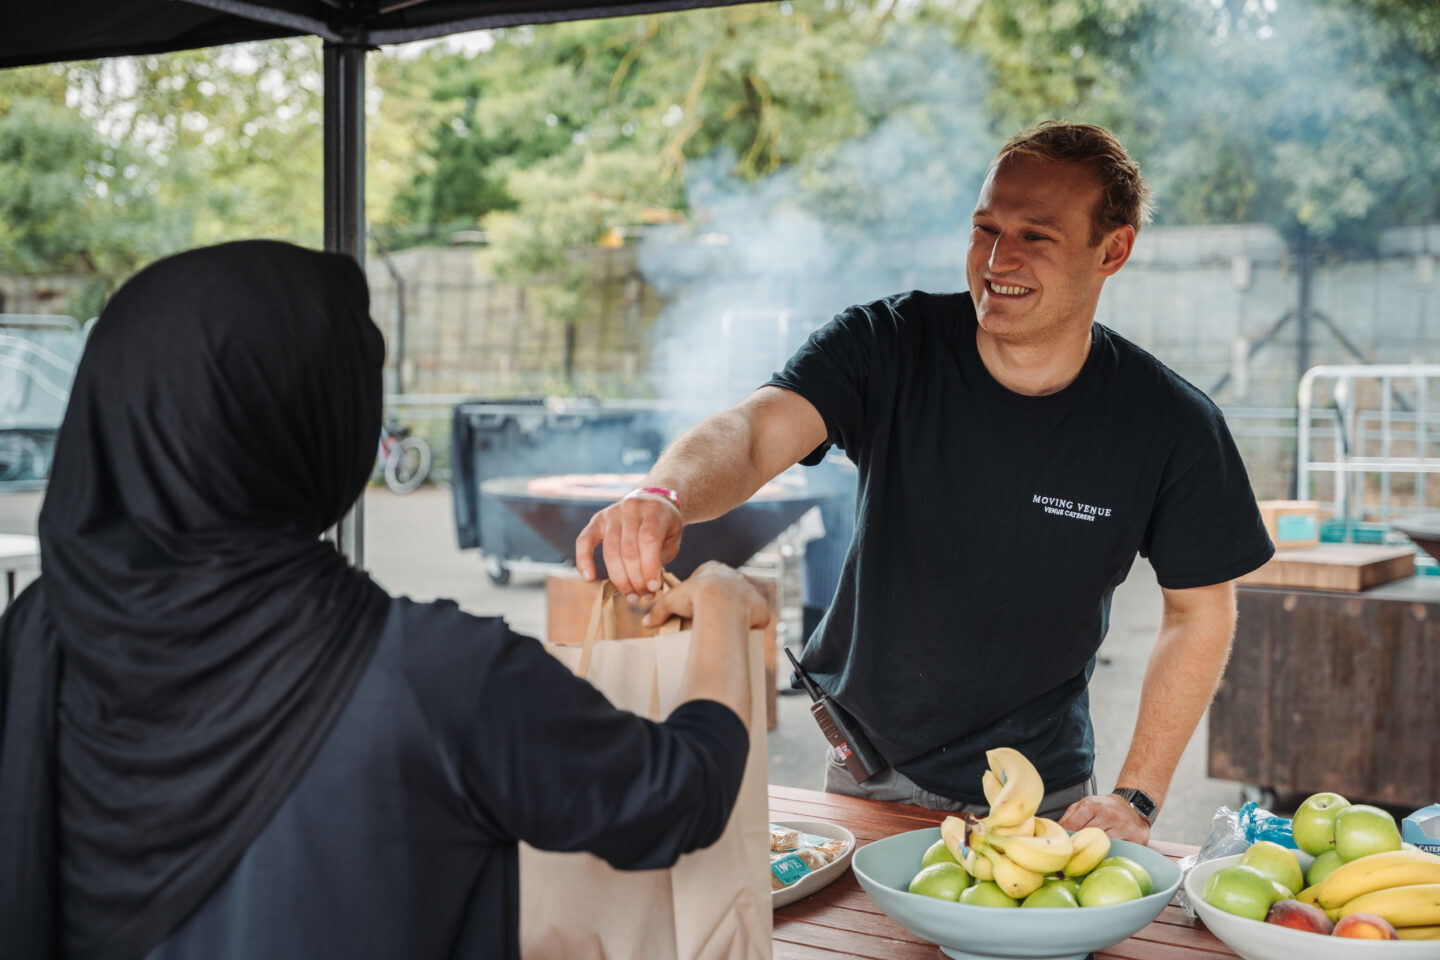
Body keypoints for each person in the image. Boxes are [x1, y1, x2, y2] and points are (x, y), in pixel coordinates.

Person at [0, 240, 763, 960]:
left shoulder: (35, 635)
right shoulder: (429, 677)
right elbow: (679, 796)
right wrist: (724, 601)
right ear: (322, 426)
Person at [576, 121, 1275, 844]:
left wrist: (1137, 795)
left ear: (1113, 250)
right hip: (867, 774)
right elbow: (753, 433)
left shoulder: (1170, 423)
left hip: (1044, 796)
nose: (998, 258)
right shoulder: (886, 344)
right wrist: (665, 492)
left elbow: (1199, 613)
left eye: (1036, 236)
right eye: (985, 228)